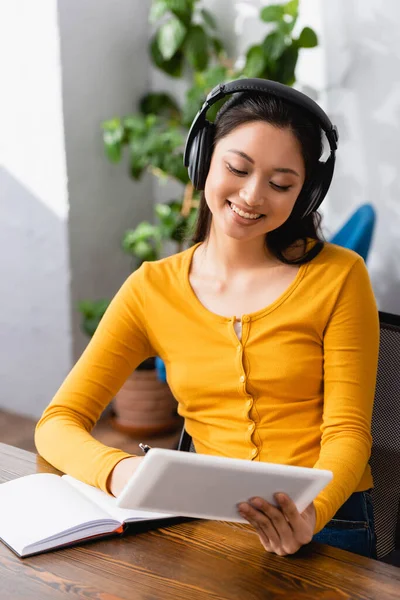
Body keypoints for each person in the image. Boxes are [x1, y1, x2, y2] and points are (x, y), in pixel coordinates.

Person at [35, 79, 379, 559]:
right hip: (204, 520)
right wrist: (119, 471)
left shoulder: (341, 277)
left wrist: (310, 514)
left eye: (281, 184)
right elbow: (57, 423)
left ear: (305, 193)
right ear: (202, 159)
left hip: (326, 521)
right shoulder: (151, 288)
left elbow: (348, 433)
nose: (253, 196)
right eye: (237, 168)